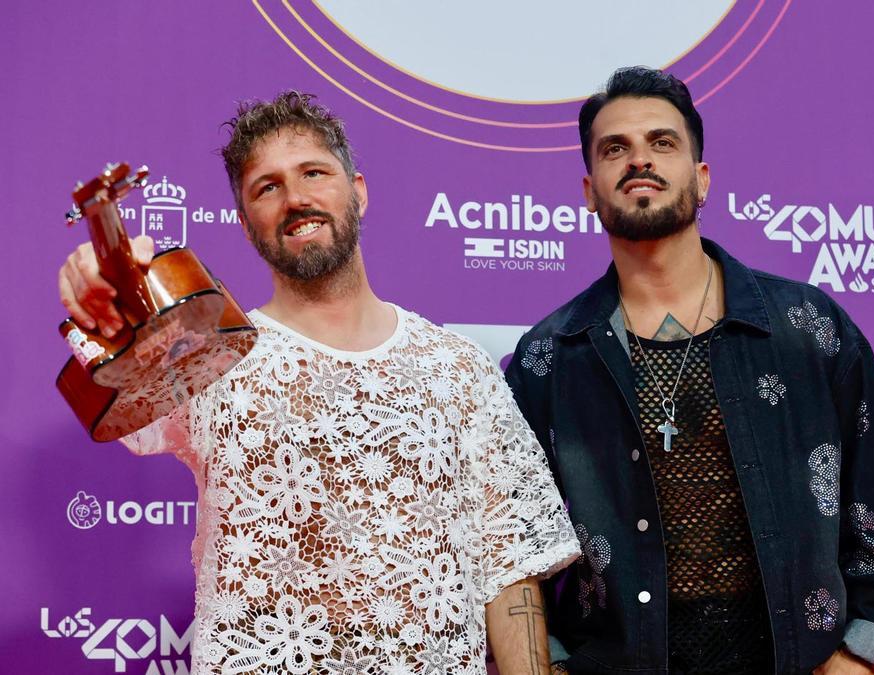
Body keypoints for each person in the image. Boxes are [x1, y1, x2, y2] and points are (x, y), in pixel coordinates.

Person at [57, 91, 579, 675]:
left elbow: (509, 570)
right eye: (267, 187)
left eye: (313, 173)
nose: (296, 198)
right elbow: (112, 381)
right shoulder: (213, 355)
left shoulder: (459, 367)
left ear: (357, 190)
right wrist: (103, 292)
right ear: (244, 222)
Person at [504, 66, 874, 674]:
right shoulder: (548, 360)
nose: (639, 160)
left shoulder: (809, 328)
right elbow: (517, 554)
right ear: (589, 190)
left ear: (701, 180)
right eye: (615, 148)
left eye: (662, 143)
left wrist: (859, 660)